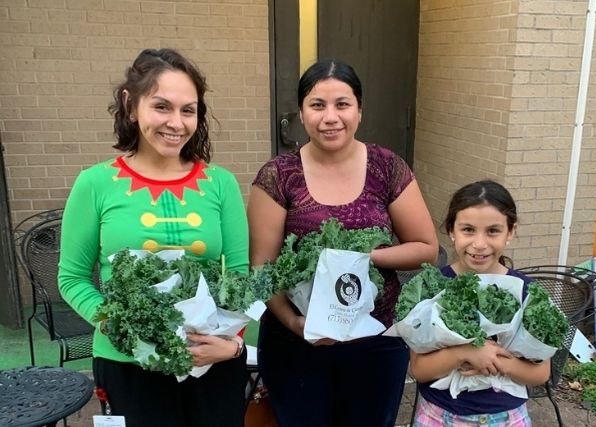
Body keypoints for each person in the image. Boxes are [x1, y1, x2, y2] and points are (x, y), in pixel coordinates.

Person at [58, 48, 249, 427]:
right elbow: (72, 278)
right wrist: (123, 328)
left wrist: (233, 343)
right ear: (131, 106)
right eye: (162, 107)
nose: (176, 123)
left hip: (210, 359)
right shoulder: (94, 184)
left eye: (188, 110)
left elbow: (240, 274)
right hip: (127, 362)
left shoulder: (221, 184)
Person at [247, 58, 440, 427]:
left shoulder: (386, 167)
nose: (330, 117)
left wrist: (360, 258)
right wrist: (293, 322)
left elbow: (425, 247)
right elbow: (263, 268)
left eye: (342, 104)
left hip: (375, 342)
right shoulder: (278, 176)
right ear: (302, 114)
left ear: (359, 110)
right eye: (317, 105)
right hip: (298, 344)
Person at [409, 180, 551, 427]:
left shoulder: (526, 291)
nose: (479, 244)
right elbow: (419, 369)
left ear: (511, 231)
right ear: (451, 230)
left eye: (493, 231)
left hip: (506, 419)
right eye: (468, 230)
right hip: (438, 416)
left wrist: (492, 360)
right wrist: (465, 351)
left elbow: (540, 373)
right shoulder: (431, 286)